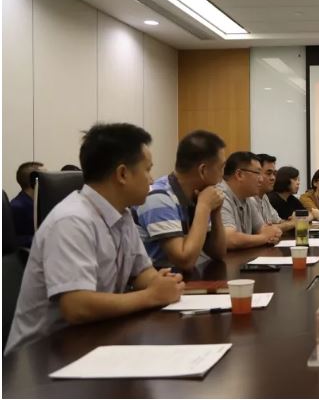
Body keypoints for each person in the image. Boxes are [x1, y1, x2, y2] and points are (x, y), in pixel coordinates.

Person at [4, 123, 184, 355]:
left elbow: (141, 272)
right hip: (40, 358)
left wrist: (161, 282)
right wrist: (151, 296)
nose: (151, 179)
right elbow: (77, 306)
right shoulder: (71, 221)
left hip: (92, 340)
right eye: (147, 170)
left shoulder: (122, 214)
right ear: (122, 174)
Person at [136, 130, 228, 270]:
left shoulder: (198, 195)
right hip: (155, 278)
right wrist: (204, 207)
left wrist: (215, 213)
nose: (222, 176)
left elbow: (218, 253)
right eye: (221, 168)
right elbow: (184, 261)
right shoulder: (158, 197)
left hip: (179, 279)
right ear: (203, 170)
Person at [219, 152, 282, 248]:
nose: (261, 180)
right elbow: (229, 239)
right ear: (239, 175)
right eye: (257, 173)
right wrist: (265, 237)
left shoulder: (248, 198)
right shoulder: (220, 196)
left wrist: (273, 232)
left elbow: (263, 229)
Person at [250, 154, 295, 234]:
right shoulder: (250, 199)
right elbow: (264, 230)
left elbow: (278, 221)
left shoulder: (264, 197)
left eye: (274, 174)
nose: (273, 178)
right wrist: (293, 223)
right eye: (268, 173)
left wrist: (290, 222)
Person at [10, 161, 44, 246]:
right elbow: (13, 240)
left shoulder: (42, 203)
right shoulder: (17, 207)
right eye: (46, 177)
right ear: (34, 181)